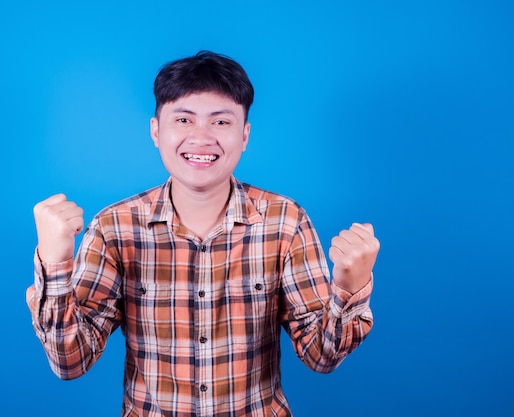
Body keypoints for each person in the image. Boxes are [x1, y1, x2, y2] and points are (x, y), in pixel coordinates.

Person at [26, 50, 380, 416]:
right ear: (155, 131)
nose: (201, 138)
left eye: (221, 123)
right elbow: (70, 362)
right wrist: (55, 264)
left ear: (244, 135)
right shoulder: (114, 228)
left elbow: (321, 358)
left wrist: (350, 288)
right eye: (183, 119)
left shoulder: (285, 221)